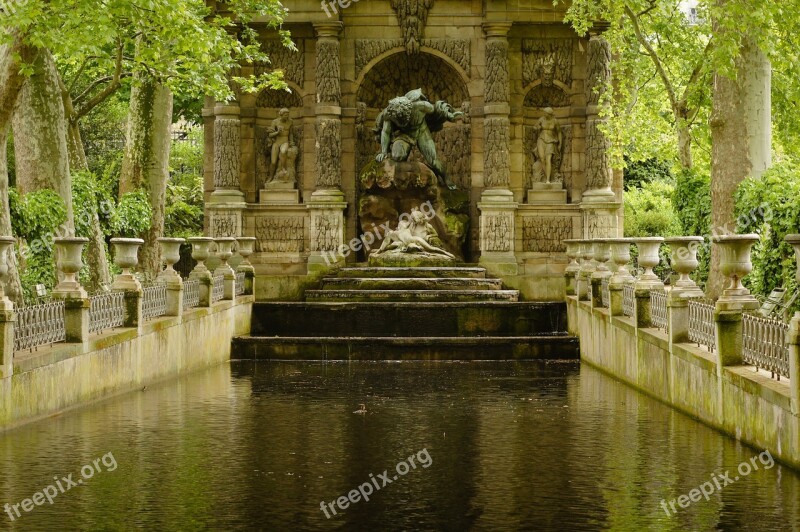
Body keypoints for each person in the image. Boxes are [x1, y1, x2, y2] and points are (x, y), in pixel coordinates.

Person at [374, 89, 464, 189]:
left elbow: (436, 111)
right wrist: (384, 151)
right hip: (404, 134)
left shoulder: (421, 106)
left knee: (433, 162)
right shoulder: (388, 114)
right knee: (397, 156)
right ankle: (401, 184)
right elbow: (385, 132)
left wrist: (448, 115)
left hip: (421, 130)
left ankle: (446, 179)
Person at [536, 107, 562, 183]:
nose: (544, 114)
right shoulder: (541, 119)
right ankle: (548, 176)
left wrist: (560, 143)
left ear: (549, 114)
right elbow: (535, 127)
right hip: (541, 140)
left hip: (551, 141)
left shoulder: (555, 121)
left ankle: (548, 179)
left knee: (548, 160)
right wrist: (538, 127)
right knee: (542, 159)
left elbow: (559, 132)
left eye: (545, 113)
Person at [268, 108, 293, 182]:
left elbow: (291, 133)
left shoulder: (290, 122)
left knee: (283, 151)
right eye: (285, 115)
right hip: (277, 142)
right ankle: (270, 176)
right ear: (281, 115)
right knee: (273, 162)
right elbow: (270, 135)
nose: (287, 117)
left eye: (288, 115)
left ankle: (283, 168)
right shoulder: (275, 122)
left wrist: (291, 142)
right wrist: (277, 132)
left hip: (285, 141)